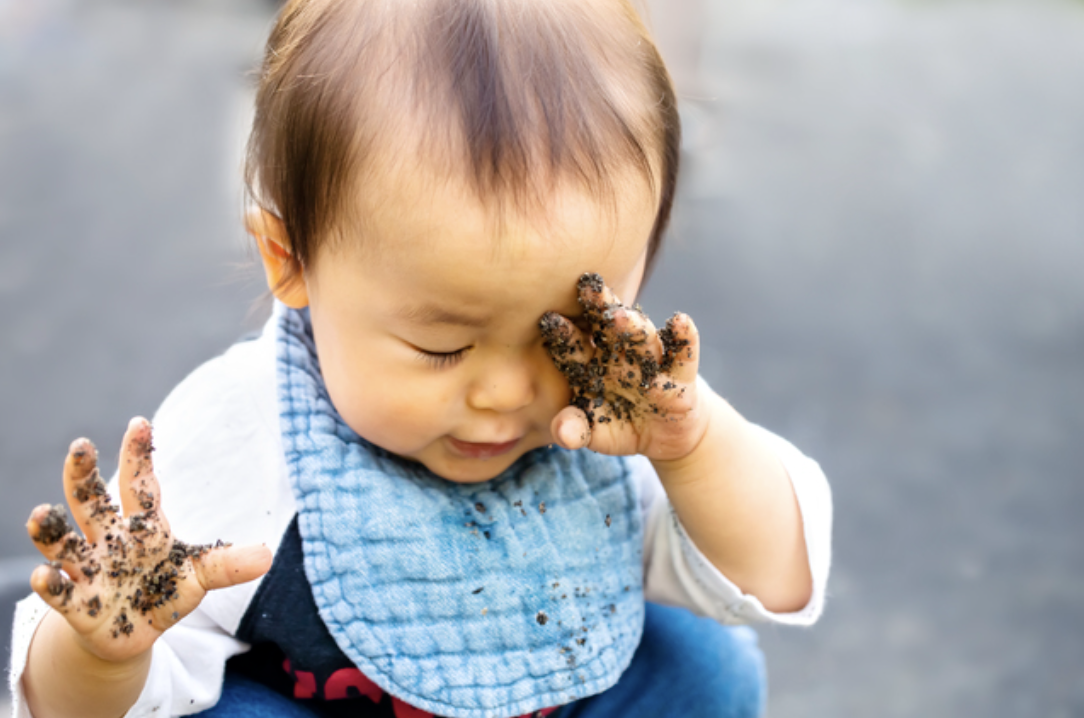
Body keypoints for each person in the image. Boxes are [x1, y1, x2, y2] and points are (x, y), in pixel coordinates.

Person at [9, 0, 832, 716]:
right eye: (441, 346)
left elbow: (777, 580)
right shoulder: (239, 442)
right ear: (288, 257)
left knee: (704, 665)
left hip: (565, 698)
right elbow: (62, 709)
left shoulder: (616, 415)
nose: (508, 393)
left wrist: (693, 449)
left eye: (563, 335)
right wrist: (102, 652)